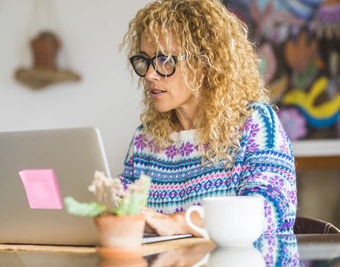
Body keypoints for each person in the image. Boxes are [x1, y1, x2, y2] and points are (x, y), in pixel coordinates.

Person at [118, 0, 297, 237]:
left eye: (165, 60)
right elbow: (122, 209)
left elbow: (271, 211)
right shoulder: (145, 139)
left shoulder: (255, 125)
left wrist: (181, 223)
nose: (150, 74)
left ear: (205, 63)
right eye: (146, 60)